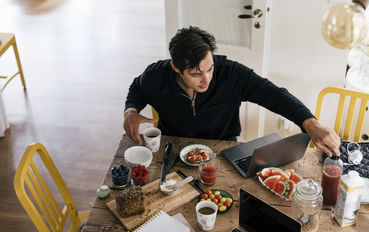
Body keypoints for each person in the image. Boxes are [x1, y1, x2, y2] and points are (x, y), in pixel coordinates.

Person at [124, 26, 341, 156]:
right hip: (173, 149)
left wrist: (310, 123)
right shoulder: (156, 75)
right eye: (196, 74)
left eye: (210, 69)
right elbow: (137, 88)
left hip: (224, 150)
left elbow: (273, 94)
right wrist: (130, 112)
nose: (206, 79)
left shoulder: (231, 74)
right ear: (176, 68)